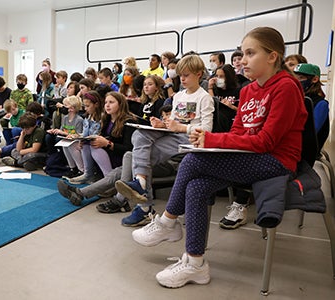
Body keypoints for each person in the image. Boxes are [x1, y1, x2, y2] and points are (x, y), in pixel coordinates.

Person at [131, 27, 307, 288]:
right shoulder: (247, 91)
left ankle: (167, 222)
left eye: (250, 53)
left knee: (191, 161)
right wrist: (211, 143)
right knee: (196, 186)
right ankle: (195, 263)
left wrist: (212, 139)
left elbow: (266, 142)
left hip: (276, 161)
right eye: (243, 52)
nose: (243, 60)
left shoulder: (285, 88)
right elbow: (238, 133)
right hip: (249, 157)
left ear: (272, 56)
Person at [115, 54, 215, 226]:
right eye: (180, 75)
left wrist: (181, 127)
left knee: (138, 156)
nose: (182, 79)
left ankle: (144, 206)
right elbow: (173, 122)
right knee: (139, 135)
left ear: (199, 74)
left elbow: (207, 129)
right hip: (173, 134)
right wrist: (162, 124)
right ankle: (140, 185)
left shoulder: (204, 97)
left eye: (186, 75)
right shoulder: (178, 96)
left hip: (189, 138)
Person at [59, 92, 137, 205]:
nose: (107, 105)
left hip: (124, 157)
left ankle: (81, 192)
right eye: (106, 102)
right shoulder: (107, 119)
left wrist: (108, 143)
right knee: (88, 144)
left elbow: (129, 149)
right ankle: (83, 184)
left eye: (111, 102)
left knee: (96, 149)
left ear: (120, 104)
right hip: (111, 154)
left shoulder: (129, 122)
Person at [64, 91, 103, 184]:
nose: (85, 109)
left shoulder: (101, 118)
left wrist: (83, 139)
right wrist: (78, 137)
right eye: (84, 106)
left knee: (84, 146)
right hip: (87, 141)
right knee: (69, 142)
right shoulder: (87, 117)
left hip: (95, 143)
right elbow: (85, 133)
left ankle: (85, 172)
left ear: (96, 104)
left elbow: (98, 134)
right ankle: (82, 171)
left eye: (88, 106)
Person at [294, 63, 330, 153]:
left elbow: (311, 134)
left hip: (305, 152)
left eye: (301, 78)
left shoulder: (321, 104)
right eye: (296, 77)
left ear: (314, 79)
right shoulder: (297, 99)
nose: (297, 81)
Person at [46, 95, 84, 178]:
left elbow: (79, 134)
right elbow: (62, 130)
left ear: (72, 108)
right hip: (67, 139)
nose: (64, 107)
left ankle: (81, 169)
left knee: (71, 146)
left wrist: (64, 133)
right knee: (64, 145)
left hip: (76, 141)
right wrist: (55, 131)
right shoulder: (65, 118)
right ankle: (72, 168)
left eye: (66, 106)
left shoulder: (79, 120)